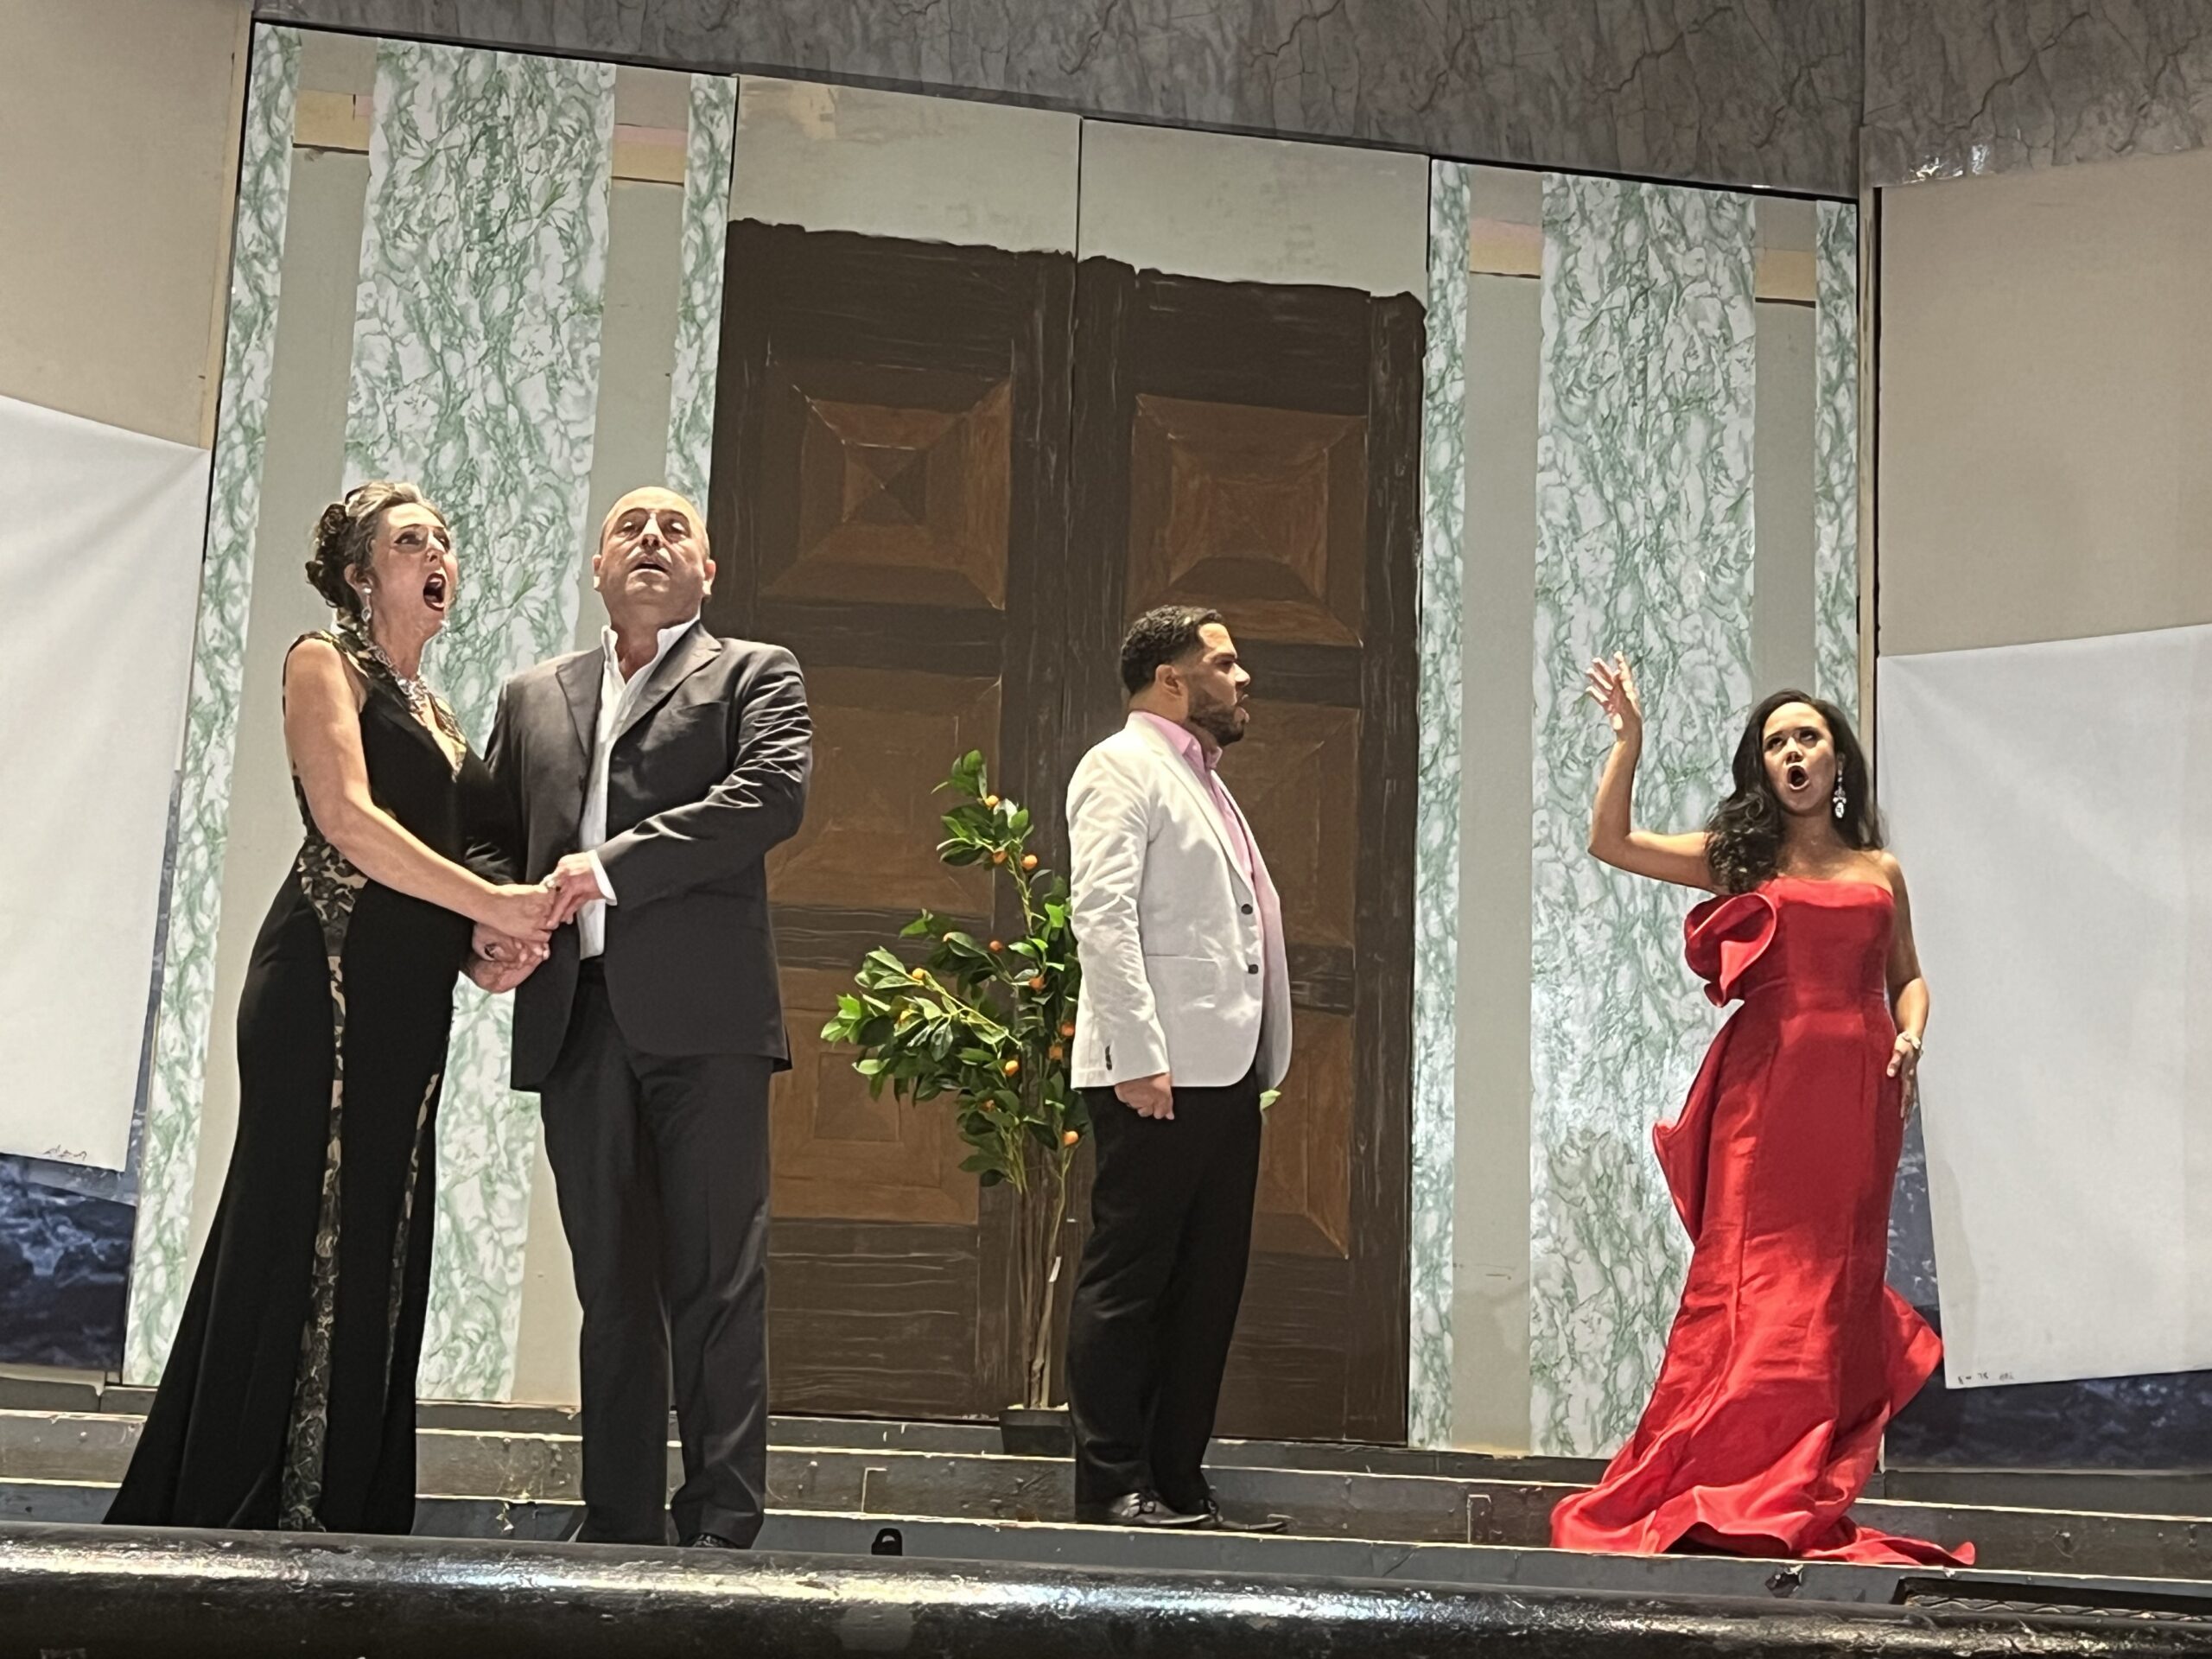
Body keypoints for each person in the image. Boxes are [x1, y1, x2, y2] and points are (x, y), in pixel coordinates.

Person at [109, 482, 556, 1534]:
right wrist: (490, 904)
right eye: (411, 541)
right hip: (324, 979)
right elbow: (348, 822)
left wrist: (493, 945)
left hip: (410, 1006)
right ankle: (238, 1503)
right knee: (292, 1224)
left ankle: (341, 1501)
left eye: (445, 538)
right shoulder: (326, 661)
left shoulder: (442, 715)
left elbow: (470, 854)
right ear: (362, 575)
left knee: (384, 1233)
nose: (437, 552)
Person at [1548, 655, 1972, 1567]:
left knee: (1828, 1288)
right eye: (1775, 741)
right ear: (1762, 767)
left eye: (1806, 737)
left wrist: (1912, 1034)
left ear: (1836, 762)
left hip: (1858, 1091)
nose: (1792, 752)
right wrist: (1629, 739)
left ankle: (1793, 1480)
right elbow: (1610, 842)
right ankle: (1717, 1471)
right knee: (1744, 1281)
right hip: (1763, 1091)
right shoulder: (1742, 858)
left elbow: (1909, 980)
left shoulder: (1878, 868)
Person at [473, 486, 810, 1549]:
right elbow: (485, 833)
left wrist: (607, 869)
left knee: (716, 1277)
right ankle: (616, 1519)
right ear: (597, 566)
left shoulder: (757, 673)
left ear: (707, 571)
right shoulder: (534, 696)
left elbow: (771, 796)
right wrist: (489, 926)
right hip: (578, 1022)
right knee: (610, 1285)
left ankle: (720, 1522)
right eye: (630, 527)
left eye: (676, 529)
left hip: (707, 1025)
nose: (652, 540)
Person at [1061, 605, 1292, 1531]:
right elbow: (1102, 914)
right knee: (1131, 1285)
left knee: (1205, 1289)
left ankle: (1180, 1483)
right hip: (1154, 1073)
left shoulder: (1205, 779)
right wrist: (1139, 1055)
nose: (1242, 680)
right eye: (1224, 663)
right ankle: (1112, 1485)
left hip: (1227, 1073)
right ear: (1171, 678)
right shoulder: (1121, 766)